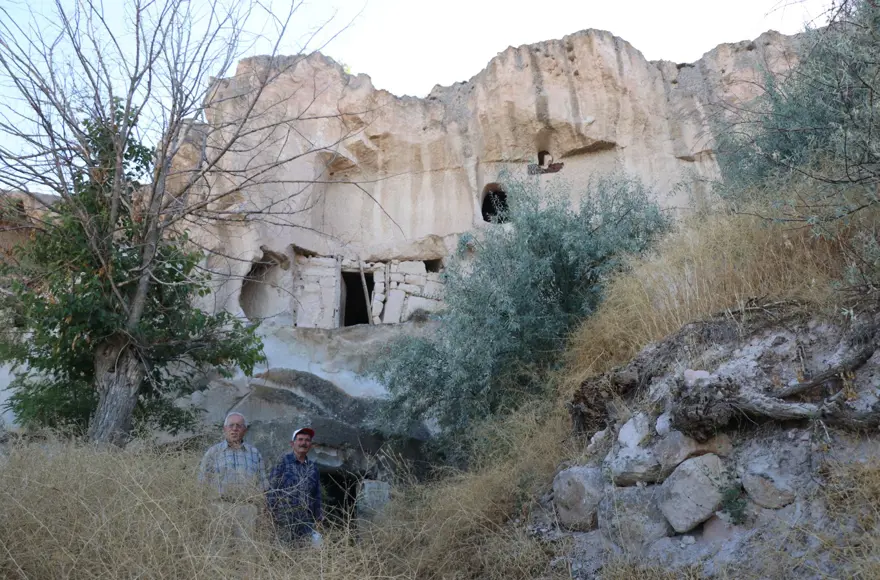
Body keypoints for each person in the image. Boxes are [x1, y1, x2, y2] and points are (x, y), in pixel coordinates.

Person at [198, 411, 269, 540]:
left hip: (247, 510)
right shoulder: (213, 452)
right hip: (219, 508)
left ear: (245, 430)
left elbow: (262, 484)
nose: (235, 429)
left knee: (246, 549)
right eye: (231, 425)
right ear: (225, 429)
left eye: (239, 425)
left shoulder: (254, 453)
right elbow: (202, 482)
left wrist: (261, 510)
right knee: (219, 547)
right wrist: (204, 510)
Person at [268, 427, 323, 546]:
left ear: (310, 445)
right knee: (284, 552)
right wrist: (271, 515)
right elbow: (272, 490)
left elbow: (317, 495)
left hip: (306, 521)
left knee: (306, 552)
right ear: (292, 443)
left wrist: (319, 518)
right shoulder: (282, 462)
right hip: (284, 519)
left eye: (307, 440)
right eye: (300, 439)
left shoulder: (313, 468)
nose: (304, 443)